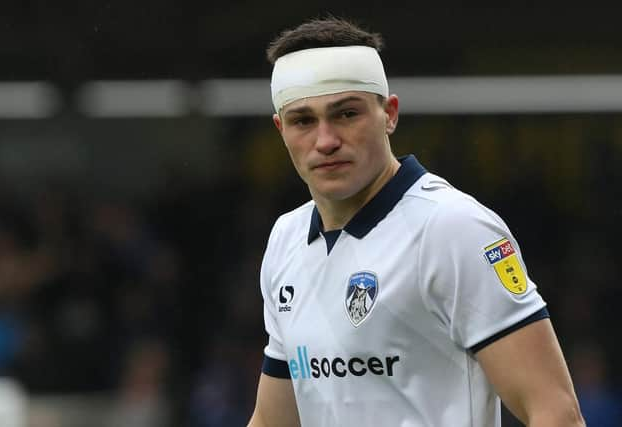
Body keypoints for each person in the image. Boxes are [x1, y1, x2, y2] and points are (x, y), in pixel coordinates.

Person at [248, 17, 585, 427]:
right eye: (304, 121)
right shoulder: (286, 238)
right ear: (281, 130)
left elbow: (555, 412)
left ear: (389, 114)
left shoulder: (453, 229)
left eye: (346, 114)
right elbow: (272, 419)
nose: (325, 140)